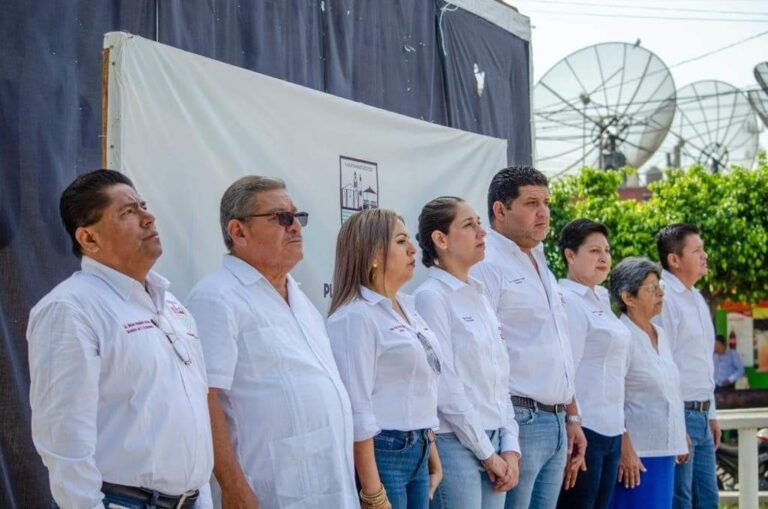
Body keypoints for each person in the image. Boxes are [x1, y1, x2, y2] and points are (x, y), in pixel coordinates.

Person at [27, 169, 213, 509]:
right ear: (89, 239)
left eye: (143, 205)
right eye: (128, 212)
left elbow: (193, 416)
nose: (148, 217)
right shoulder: (70, 309)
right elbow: (63, 440)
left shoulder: (173, 306)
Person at [185, 176, 357, 509]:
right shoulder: (216, 298)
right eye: (281, 218)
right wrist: (233, 487)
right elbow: (204, 399)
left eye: (297, 217)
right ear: (238, 231)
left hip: (330, 485)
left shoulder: (301, 298)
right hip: (267, 489)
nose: (295, 227)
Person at [470, 166, 587, 509]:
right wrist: (507, 435)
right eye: (531, 203)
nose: (544, 212)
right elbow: (482, 353)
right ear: (500, 210)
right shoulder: (486, 264)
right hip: (518, 418)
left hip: (555, 421)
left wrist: (573, 416)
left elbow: (560, 348)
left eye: (546, 202)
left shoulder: (541, 261)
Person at [326, 208, 443, 509]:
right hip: (384, 454)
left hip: (417, 449)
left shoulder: (408, 306)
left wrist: (431, 453)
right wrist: (373, 492)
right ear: (373, 254)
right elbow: (357, 409)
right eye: (401, 241)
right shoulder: (354, 317)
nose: (413, 248)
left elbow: (422, 385)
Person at [413, 197, 521, 509]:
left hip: (496, 441)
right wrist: (486, 452)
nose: (481, 232)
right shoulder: (431, 298)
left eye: (479, 223)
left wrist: (510, 446)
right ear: (440, 239)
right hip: (456, 444)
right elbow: (445, 388)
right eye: (468, 225)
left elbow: (502, 378)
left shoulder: (480, 295)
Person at [555, 219, 631, 509]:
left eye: (607, 251)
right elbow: (566, 368)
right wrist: (573, 421)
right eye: (594, 251)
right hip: (585, 429)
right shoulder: (568, 300)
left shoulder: (600, 298)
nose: (604, 257)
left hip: (611, 427)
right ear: (570, 255)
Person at [608, 257, 689, 509]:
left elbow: (669, 389)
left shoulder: (660, 334)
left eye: (659, 286)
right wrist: (625, 447)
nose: (660, 293)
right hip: (638, 455)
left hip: (666, 450)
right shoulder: (620, 337)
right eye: (651, 288)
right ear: (628, 298)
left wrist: (680, 431)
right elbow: (611, 398)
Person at [654, 224, 719, 509]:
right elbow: (661, 363)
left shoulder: (696, 298)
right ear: (674, 259)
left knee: (707, 499)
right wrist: (676, 423)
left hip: (702, 414)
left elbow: (704, 364)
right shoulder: (663, 298)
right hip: (680, 414)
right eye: (696, 250)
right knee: (681, 500)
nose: (704, 255)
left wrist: (712, 412)